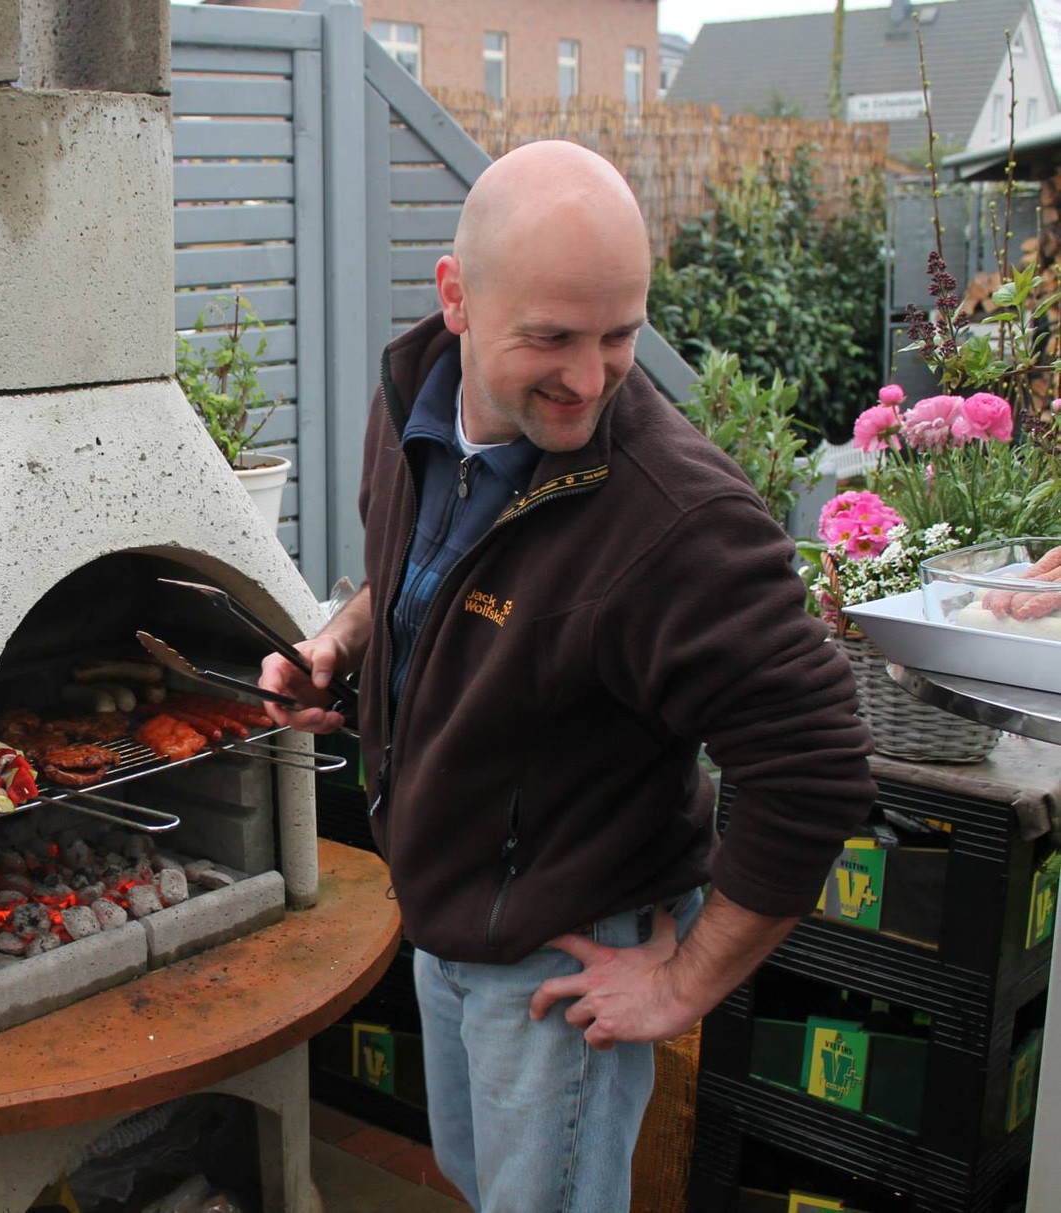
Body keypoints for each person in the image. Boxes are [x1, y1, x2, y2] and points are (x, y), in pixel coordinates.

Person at [259, 141, 875, 1212]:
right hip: (445, 912)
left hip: (562, 961)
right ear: (457, 299)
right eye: (551, 337)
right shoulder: (414, 405)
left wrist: (687, 981)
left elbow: (816, 767)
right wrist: (342, 648)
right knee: (474, 1182)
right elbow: (413, 570)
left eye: (620, 336)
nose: (588, 379)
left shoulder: (678, 522)